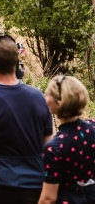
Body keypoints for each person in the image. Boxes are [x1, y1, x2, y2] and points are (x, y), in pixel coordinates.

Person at [0, 35, 52, 204]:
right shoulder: (38, 96)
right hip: (36, 185)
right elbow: (48, 145)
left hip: (4, 185)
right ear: (16, 61)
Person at [39, 76, 95, 204]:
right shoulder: (92, 128)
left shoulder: (55, 147)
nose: (45, 99)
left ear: (58, 102)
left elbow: (48, 198)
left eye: (48, 95)